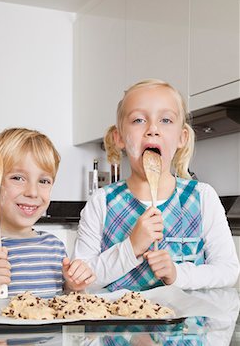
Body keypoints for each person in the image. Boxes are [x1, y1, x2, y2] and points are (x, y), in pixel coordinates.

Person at [73, 79, 239, 291]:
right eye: (139, 120)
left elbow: (228, 271)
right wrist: (131, 247)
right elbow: (81, 281)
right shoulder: (102, 202)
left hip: (190, 324)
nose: (152, 129)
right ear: (119, 137)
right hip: (118, 324)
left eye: (166, 120)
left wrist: (177, 274)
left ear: (182, 137)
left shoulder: (202, 197)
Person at [0, 128, 95, 307]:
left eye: (43, 181)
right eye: (18, 178)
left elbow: (62, 309)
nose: (32, 192)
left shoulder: (54, 247)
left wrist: (74, 288)